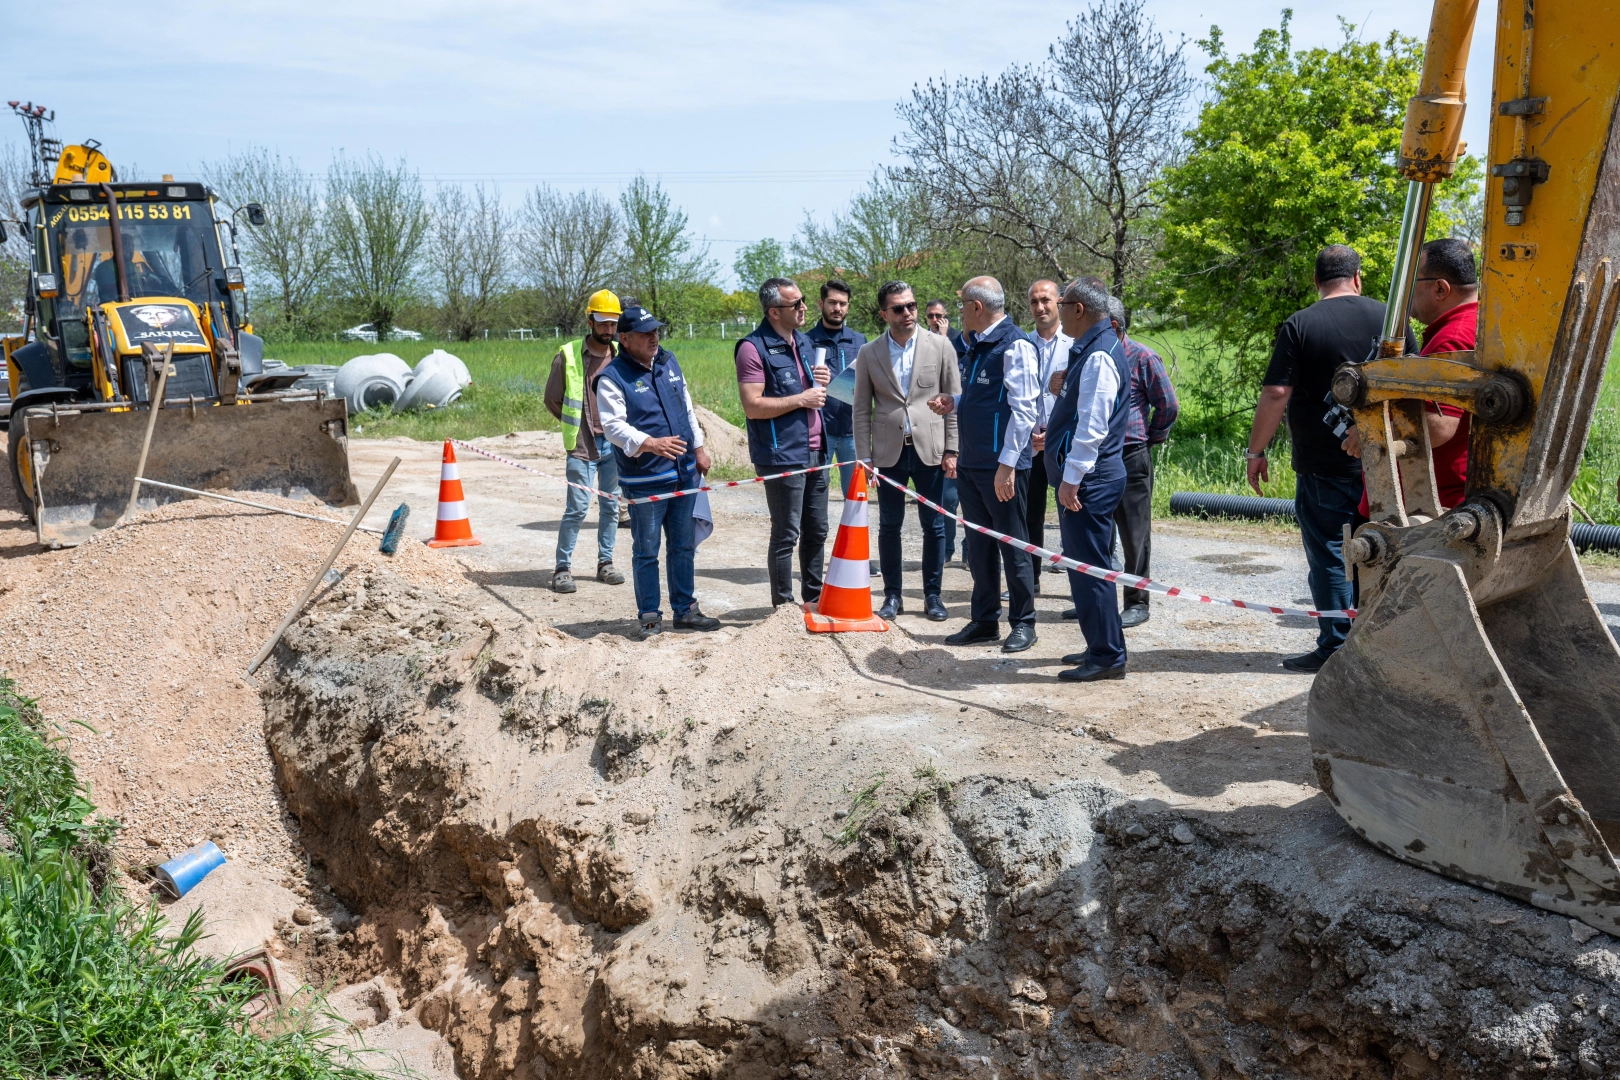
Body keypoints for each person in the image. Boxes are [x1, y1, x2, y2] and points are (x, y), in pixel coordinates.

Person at [1246, 245, 1416, 673]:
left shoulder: (1300, 324)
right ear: (1357, 277)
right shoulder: (1391, 319)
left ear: (1316, 281)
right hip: (1387, 462)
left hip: (1324, 466)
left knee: (1330, 555)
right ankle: (1383, 642)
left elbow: (1276, 393)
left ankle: (1337, 645)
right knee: (1388, 548)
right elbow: (1417, 383)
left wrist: (1256, 451)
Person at [595, 305, 721, 639]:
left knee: (682, 546)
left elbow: (687, 407)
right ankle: (650, 616)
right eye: (646, 333)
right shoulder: (612, 376)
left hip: (683, 473)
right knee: (646, 550)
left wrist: (698, 447)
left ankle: (686, 611)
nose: (655, 337)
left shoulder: (668, 362)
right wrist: (650, 443)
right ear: (625, 338)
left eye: (657, 331)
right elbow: (612, 427)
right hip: (646, 479)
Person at [932, 276, 1041, 653]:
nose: (958, 310)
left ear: (977, 308)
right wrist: (955, 402)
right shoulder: (978, 345)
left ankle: (1024, 622)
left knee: (1013, 546)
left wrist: (1007, 466)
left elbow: (1025, 412)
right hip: (973, 464)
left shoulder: (1016, 346)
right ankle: (984, 621)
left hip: (1002, 468)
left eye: (961, 304)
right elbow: (984, 398)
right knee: (978, 547)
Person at [853, 280, 960, 622]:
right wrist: (864, 457)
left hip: (932, 450)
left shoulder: (941, 346)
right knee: (889, 526)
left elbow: (953, 401)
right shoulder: (869, 353)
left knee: (935, 526)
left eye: (911, 305)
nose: (908, 313)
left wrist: (953, 450)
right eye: (898, 308)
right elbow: (860, 409)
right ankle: (892, 596)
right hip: (888, 453)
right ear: (884, 313)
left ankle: (932, 595)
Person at [1349, 237, 1479, 513]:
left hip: (1428, 506)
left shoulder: (1452, 339)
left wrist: (1371, 433)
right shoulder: (1477, 323)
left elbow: (1438, 426)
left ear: (1440, 289)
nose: (1406, 295)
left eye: (1412, 284)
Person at [1047, 276, 1131, 682]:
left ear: (1077, 309)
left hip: (1090, 480)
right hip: (1092, 477)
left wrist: (1071, 478)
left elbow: (1092, 428)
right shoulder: (1095, 348)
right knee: (1087, 567)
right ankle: (1101, 643)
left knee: (1090, 569)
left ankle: (1107, 656)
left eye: (1061, 302)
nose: (1056, 309)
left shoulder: (1098, 355)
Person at [735, 277, 831, 608]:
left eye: (803, 301)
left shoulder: (804, 343)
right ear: (775, 312)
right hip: (782, 455)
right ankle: (783, 608)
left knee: (817, 531)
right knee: (786, 535)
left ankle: (814, 601)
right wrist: (801, 399)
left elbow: (814, 394)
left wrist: (822, 384)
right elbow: (753, 405)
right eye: (796, 304)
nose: (805, 307)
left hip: (817, 450)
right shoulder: (752, 347)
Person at [543, 289, 627, 594]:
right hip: (582, 447)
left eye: (613, 324)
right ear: (590, 321)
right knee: (577, 509)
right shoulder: (568, 355)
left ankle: (606, 563)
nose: (608, 330)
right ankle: (562, 569)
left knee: (610, 507)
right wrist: (577, 426)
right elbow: (552, 399)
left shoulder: (622, 354)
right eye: (602, 323)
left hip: (614, 446)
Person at [1108, 294, 1179, 628]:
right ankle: (1097, 597)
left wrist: (1152, 437)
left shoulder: (1143, 357)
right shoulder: (1087, 356)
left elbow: (1168, 405)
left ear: (1113, 325)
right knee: (1095, 534)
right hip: (1094, 458)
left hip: (1130, 455)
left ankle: (1137, 602)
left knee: (1134, 536)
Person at [1026, 280, 1072, 594]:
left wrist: (1055, 433)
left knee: (1071, 513)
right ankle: (1031, 578)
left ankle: (1079, 584)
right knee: (1030, 516)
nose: (1040, 307)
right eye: (1034, 302)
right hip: (1030, 444)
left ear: (1059, 302)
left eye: (1046, 300)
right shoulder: (1022, 344)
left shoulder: (1075, 344)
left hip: (1064, 444)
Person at [805, 278, 868, 498]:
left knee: (854, 496)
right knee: (816, 494)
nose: (837, 308)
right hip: (820, 432)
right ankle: (818, 534)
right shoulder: (805, 341)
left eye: (843, 303)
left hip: (853, 432)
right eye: (832, 302)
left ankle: (851, 535)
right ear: (820, 304)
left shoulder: (860, 342)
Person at [926, 299, 967, 564]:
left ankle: (968, 549)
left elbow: (953, 379)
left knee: (966, 496)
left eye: (939, 315)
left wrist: (943, 339)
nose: (934, 319)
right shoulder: (920, 343)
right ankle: (947, 549)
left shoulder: (957, 341)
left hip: (960, 423)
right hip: (934, 427)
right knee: (946, 498)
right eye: (930, 315)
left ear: (947, 316)